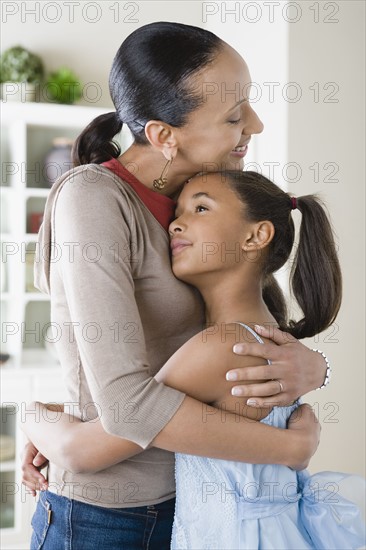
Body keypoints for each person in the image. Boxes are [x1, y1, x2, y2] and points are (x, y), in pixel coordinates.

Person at [22, 22, 329, 550]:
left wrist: (311, 367)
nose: (254, 124)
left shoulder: (201, 197)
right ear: (164, 134)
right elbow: (125, 402)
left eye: (248, 105)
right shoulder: (95, 199)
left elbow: (239, 333)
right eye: (234, 116)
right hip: (109, 516)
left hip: (198, 504)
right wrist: (288, 449)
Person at [24, 170, 365, 549]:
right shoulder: (265, 335)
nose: (175, 226)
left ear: (256, 236)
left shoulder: (223, 347)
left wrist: (30, 415)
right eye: (176, 214)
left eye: (201, 208)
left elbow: (82, 451)